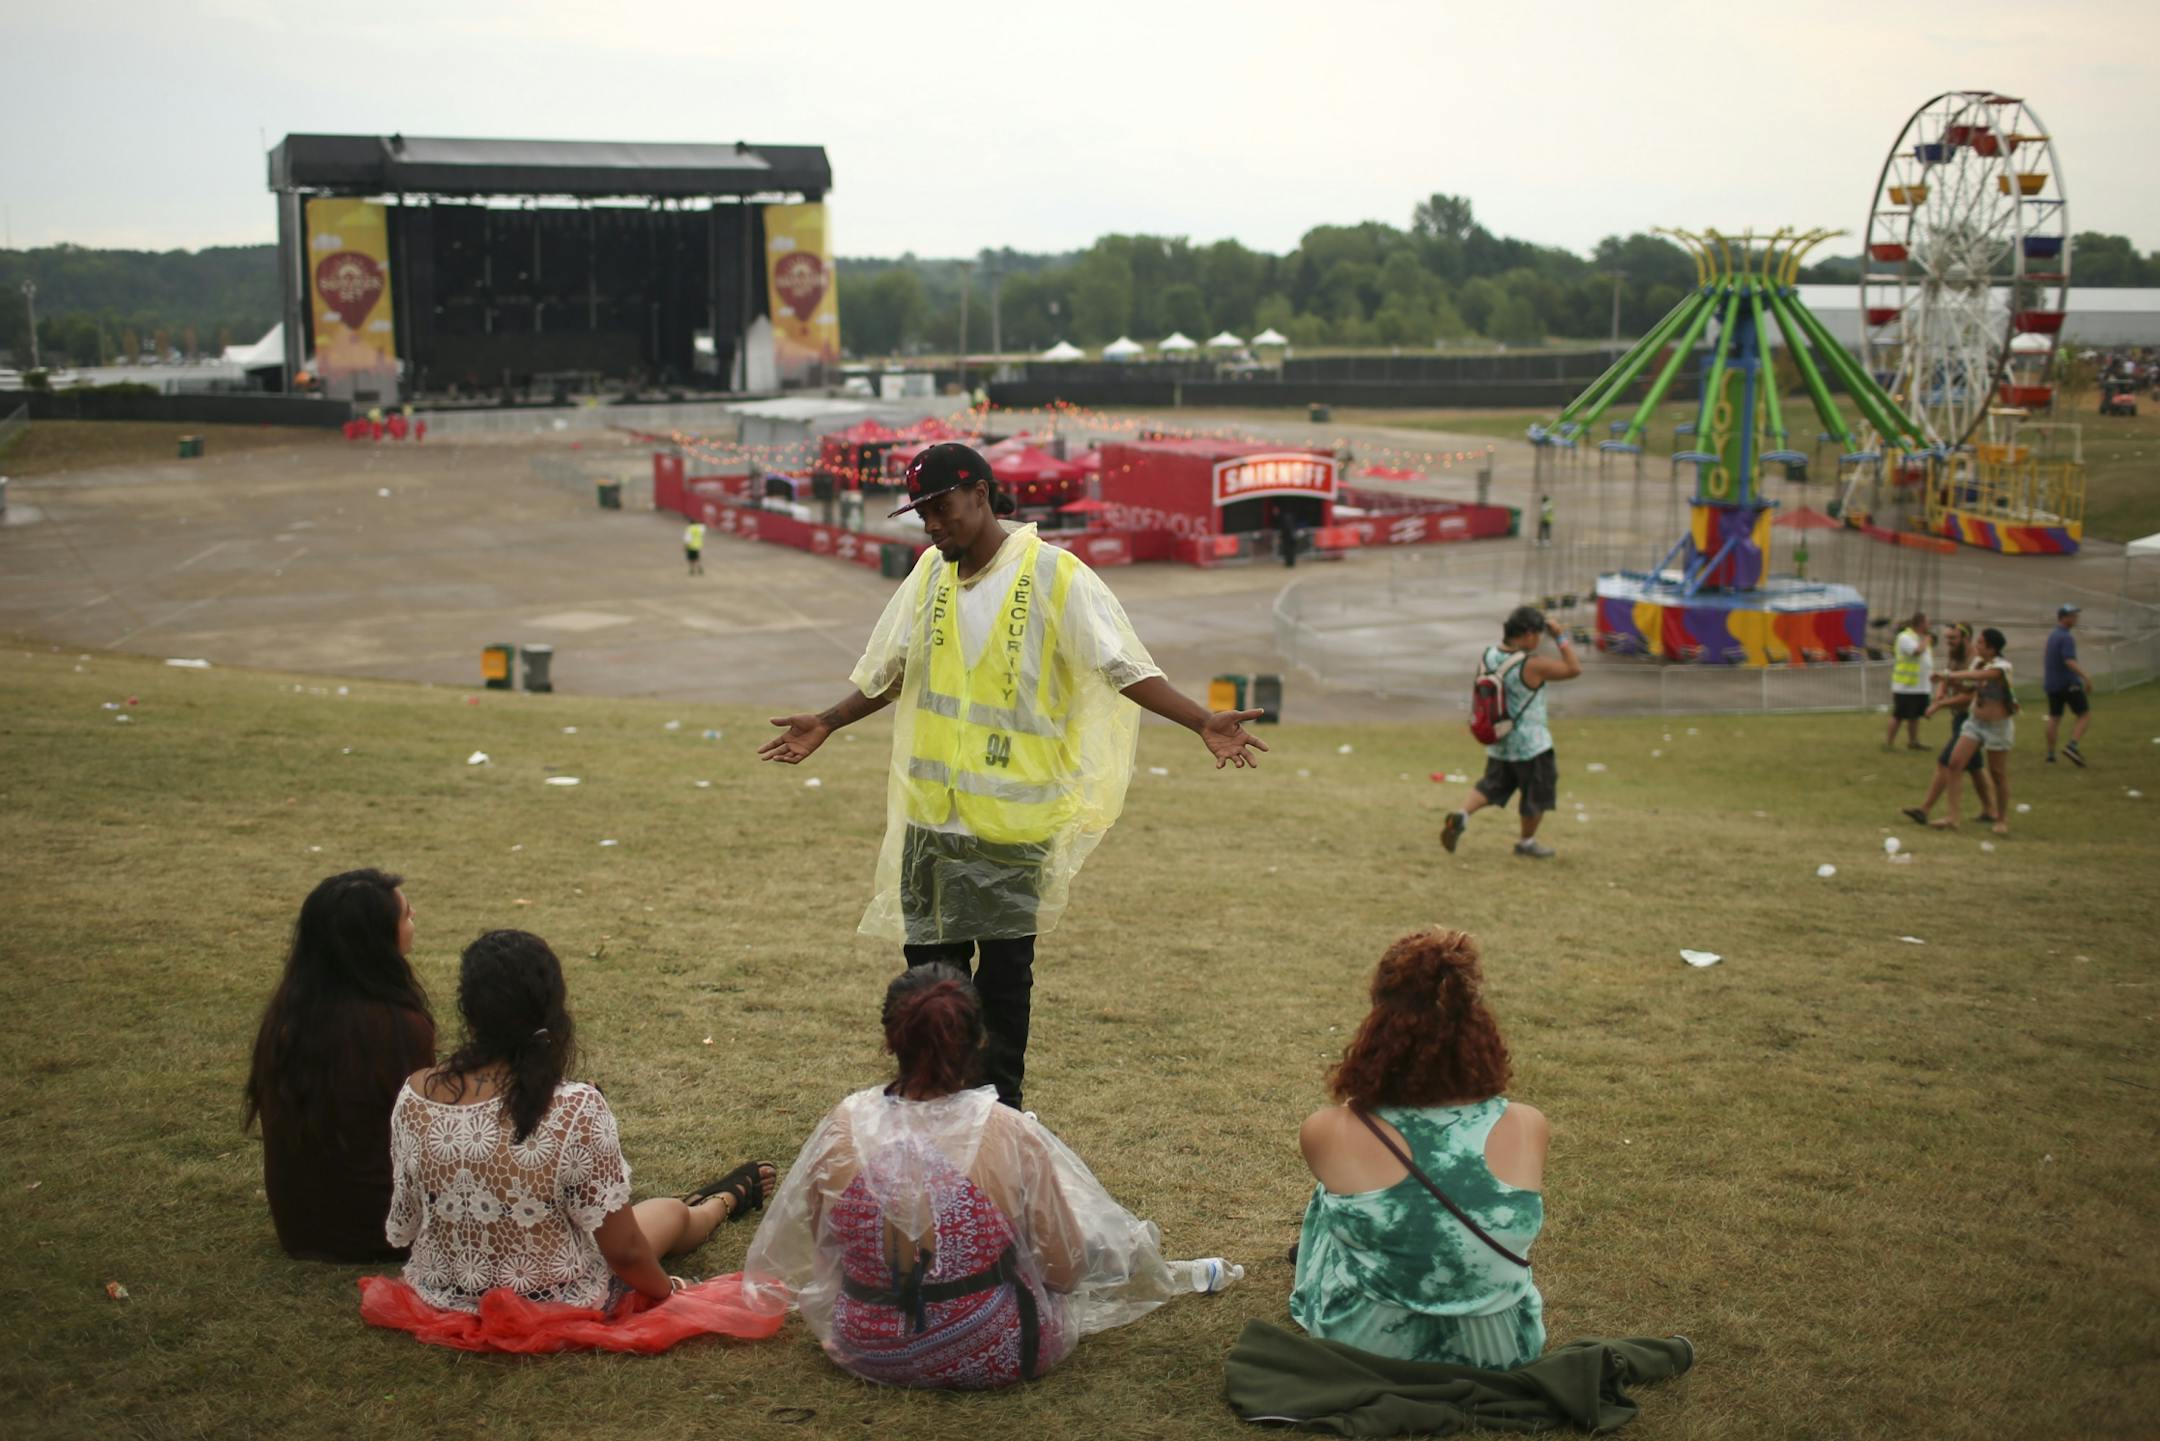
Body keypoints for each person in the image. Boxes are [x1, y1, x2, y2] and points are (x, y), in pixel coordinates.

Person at [759, 442, 1268, 1110]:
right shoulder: (929, 576)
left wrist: (1201, 719)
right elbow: (893, 670)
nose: (931, 524)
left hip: (1013, 827)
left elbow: (1123, 665)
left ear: (980, 492)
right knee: (928, 985)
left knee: (1002, 989)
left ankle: (999, 1120)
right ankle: (932, 1109)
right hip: (931, 822)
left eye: (940, 507)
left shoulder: (1057, 576)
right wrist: (829, 718)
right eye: (921, 514)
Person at [742, 965, 1227, 1389]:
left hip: (866, 1344)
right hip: (1000, 1350)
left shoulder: (844, 1125)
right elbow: (1065, 1268)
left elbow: (827, 1248)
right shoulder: (1007, 1132)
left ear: (891, 1038)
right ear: (979, 1039)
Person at [383, 930, 774, 1315]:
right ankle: (722, 1203)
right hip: (556, 1301)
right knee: (668, 1213)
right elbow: (625, 1252)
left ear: (467, 1007)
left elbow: (410, 1220)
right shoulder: (575, 1105)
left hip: (443, 1295)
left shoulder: (417, 1092)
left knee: (641, 1215)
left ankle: (710, 1203)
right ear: (551, 1007)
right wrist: (669, 1290)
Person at [1292, 928, 1547, 1367]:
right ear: (1480, 1025)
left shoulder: (1329, 1130)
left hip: (1366, 1346)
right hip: (1501, 1352)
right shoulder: (1527, 1125)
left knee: (1333, 1193)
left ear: (1379, 1021)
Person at [244, 869, 437, 1262]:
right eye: (406, 915)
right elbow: (427, 1134)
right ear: (375, 939)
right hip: (382, 1231)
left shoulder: (286, 1018)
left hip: (300, 1226)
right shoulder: (396, 1026)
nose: (414, 918)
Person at [1440, 606, 1582, 860]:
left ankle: (1462, 815)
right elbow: (1573, 669)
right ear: (1527, 634)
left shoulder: (1489, 655)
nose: (1539, 639)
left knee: (1491, 785)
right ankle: (1526, 842)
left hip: (1500, 739)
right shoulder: (1532, 665)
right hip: (1531, 744)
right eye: (1538, 634)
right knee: (1536, 794)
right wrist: (1560, 636)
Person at [1910, 627, 2016, 835]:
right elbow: (1969, 688)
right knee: (1954, 763)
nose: (1977, 645)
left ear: (1992, 648)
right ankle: (1952, 817)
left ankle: (2001, 819)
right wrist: (1945, 686)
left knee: (1997, 774)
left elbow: (1980, 676)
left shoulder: (2002, 666)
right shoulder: (1978, 662)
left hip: (1998, 727)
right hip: (1975, 722)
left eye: (1981, 643)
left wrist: (1948, 675)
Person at [2043, 603, 2091, 766]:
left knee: (2054, 717)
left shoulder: (2053, 636)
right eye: (2073, 615)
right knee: (2084, 714)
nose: (2076, 618)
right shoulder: (2066, 637)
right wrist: (2085, 677)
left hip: (2052, 684)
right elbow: (2069, 660)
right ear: (2064, 618)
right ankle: (2072, 746)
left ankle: (2050, 755)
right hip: (2068, 683)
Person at [1885, 611, 1932, 751]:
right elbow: (1916, 651)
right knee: (1899, 715)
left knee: (1915, 716)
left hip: (1920, 685)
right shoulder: (1905, 637)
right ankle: (1889, 743)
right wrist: (1926, 641)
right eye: (1927, 622)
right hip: (1905, 686)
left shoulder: (1920, 637)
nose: (1929, 625)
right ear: (1920, 623)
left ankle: (1913, 742)